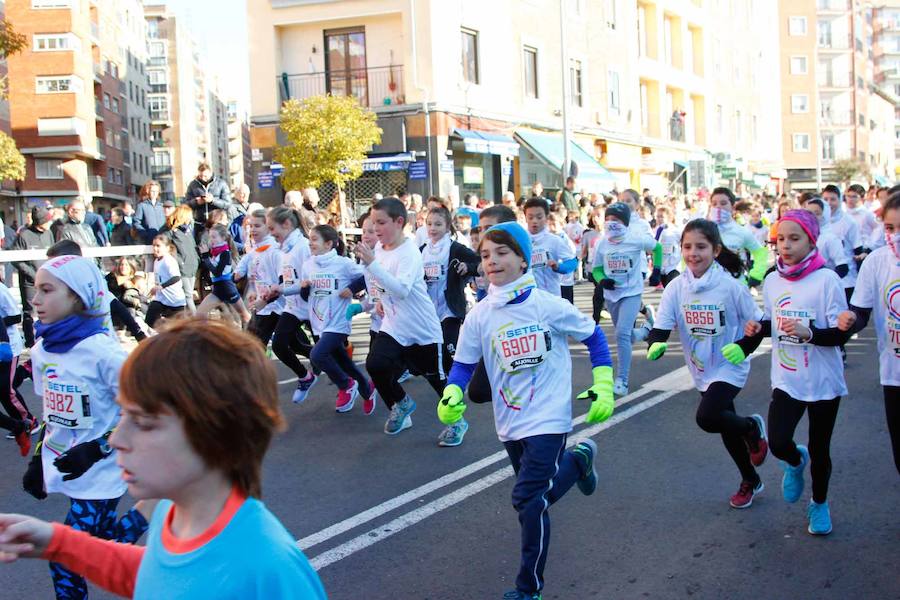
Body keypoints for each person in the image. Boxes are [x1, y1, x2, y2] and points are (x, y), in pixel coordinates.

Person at [0, 319, 327, 599]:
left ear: (214, 435)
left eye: (142, 422)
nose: (117, 439)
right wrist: (56, 542)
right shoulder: (174, 510)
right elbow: (159, 576)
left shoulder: (265, 569)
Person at [436, 221, 614, 600]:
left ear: (522, 259)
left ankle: (528, 588)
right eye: (485, 255)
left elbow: (594, 336)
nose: (492, 261)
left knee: (527, 500)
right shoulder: (480, 315)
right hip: (510, 419)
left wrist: (603, 383)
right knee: (535, 499)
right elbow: (465, 363)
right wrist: (452, 391)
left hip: (549, 416)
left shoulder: (547, 306)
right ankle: (579, 462)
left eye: (502, 253)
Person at [729, 209, 848, 536]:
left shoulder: (827, 280)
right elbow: (774, 324)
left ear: (811, 241)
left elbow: (839, 335)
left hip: (823, 380)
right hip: (788, 377)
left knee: (821, 449)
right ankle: (795, 462)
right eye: (780, 238)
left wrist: (809, 333)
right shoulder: (772, 279)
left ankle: (820, 504)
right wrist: (757, 328)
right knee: (780, 442)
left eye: (794, 239)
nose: (785, 245)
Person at [22, 255, 134, 598]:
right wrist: (37, 461)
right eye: (35, 291)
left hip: (104, 469)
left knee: (65, 557)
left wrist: (97, 448)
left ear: (77, 297)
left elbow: (143, 413)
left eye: (46, 290)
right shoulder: (42, 350)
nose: (35, 300)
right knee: (101, 545)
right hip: (70, 469)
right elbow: (52, 414)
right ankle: (153, 514)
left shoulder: (106, 355)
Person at [644, 219, 769, 508]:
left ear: (716, 250)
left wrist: (743, 346)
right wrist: (656, 343)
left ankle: (751, 428)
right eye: (687, 247)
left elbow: (760, 323)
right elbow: (661, 325)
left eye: (701, 247)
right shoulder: (676, 287)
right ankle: (751, 479)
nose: (693, 253)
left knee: (708, 417)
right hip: (701, 366)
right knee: (725, 426)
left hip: (729, 363)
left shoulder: (730, 287)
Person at [356, 198, 448, 440]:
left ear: (400, 222)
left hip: (422, 329)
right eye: (373, 223)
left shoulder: (409, 252)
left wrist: (372, 265)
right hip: (394, 327)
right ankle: (401, 403)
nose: (376, 228)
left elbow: (402, 290)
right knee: (375, 364)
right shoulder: (378, 250)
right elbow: (383, 285)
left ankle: (457, 422)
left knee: (438, 384)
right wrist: (377, 301)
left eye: (381, 223)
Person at [837, 192, 900, 475]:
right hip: (894, 372)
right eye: (890, 228)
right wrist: (850, 320)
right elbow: (861, 312)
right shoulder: (877, 262)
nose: (895, 236)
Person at [419, 206, 479, 443]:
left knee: (448, 351)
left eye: (438, 225)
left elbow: (477, 261)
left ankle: (459, 380)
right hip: (427, 313)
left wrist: (467, 268)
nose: (433, 229)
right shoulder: (421, 251)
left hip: (450, 309)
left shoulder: (455, 248)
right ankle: (454, 378)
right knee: (434, 357)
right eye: (429, 224)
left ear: (447, 227)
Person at [300, 225, 373, 414]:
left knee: (317, 355)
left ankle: (346, 385)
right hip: (319, 321)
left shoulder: (343, 264)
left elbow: (368, 276)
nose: (310, 243)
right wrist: (305, 288)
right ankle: (366, 389)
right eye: (310, 238)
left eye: (315, 239)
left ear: (329, 243)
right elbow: (305, 296)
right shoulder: (308, 265)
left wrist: (351, 289)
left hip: (339, 320)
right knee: (343, 361)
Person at [591, 202, 661, 396]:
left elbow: (658, 248)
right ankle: (646, 331)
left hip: (632, 292)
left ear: (626, 223)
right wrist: (602, 280)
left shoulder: (636, 239)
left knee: (621, 334)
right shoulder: (602, 243)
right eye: (608, 220)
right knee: (626, 335)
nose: (612, 224)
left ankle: (622, 380)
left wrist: (656, 271)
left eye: (616, 220)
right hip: (612, 295)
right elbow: (596, 269)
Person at [261, 206, 316, 404]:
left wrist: (282, 288)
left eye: (272, 228)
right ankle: (305, 376)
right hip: (292, 306)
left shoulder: (303, 246)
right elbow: (285, 279)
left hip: (311, 306)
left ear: (286, 224)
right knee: (279, 345)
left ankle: (352, 382)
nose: (270, 233)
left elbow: (307, 280)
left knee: (326, 354)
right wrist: (273, 290)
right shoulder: (282, 250)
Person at [238, 209, 283, 348]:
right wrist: (253, 292)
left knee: (252, 347)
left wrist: (265, 299)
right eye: (250, 226)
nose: (252, 230)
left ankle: (328, 360)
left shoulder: (275, 250)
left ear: (269, 228)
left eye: (257, 226)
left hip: (278, 306)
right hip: (264, 307)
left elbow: (282, 281)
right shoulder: (256, 251)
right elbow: (255, 278)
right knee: (292, 346)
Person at [12, 206, 56, 347]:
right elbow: (16, 259)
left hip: (47, 280)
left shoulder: (49, 233)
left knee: (49, 308)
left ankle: (47, 337)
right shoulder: (24, 235)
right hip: (30, 282)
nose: (50, 223)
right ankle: (31, 342)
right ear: (40, 222)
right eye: (47, 221)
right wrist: (33, 274)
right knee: (30, 313)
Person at [707, 188, 769, 287]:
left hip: (736, 288)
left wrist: (756, 275)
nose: (718, 207)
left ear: (732, 207)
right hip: (709, 289)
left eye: (723, 203)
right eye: (714, 204)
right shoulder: (703, 231)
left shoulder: (741, 231)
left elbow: (760, 252)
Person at [523, 198, 578, 297]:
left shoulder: (554, 241)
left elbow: (572, 262)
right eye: (530, 217)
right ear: (525, 217)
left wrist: (558, 267)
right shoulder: (520, 241)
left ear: (546, 218)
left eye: (539, 217)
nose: (534, 221)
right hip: (528, 298)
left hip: (551, 295)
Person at [822, 184, 865, 303]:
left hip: (847, 281)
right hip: (824, 281)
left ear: (840, 200)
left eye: (833, 199)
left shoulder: (849, 222)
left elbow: (858, 251)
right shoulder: (818, 223)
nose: (829, 203)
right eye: (825, 199)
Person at [160, 204, 200, 314]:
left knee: (189, 294)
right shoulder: (170, 231)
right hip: (182, 267)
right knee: (188, 296)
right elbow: (168, 247)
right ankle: (198, 321)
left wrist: (197, 260)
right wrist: (179, 262)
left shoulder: (186, 231)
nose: (190, 219)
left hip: (191, 267)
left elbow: (192, 247)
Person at [146, 235, 187, 328]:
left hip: (175, 301)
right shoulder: (157, 260)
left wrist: (161, 286)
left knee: (178, 330)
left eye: (158, 246)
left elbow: (176, 277)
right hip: (162, 300)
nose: (155, 248)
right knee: (149, 321)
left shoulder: (168, 260)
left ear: (167, 248)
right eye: (154, 246)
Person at [184, 163, 232, 236]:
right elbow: (186, 204)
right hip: (200, 223)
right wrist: (196, 202)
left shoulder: (221, 184)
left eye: (205, 176)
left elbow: (228, 204)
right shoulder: (193, 185)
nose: (203, 178)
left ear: (210, 173)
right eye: (201, 176)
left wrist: (213, 201)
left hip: (217, 223)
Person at [654, 205, 682, 287]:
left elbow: (684, 242)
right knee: (667, 290)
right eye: (657, 216)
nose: (659, 219)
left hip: (673, 266)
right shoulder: (657, 230)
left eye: (661, 217)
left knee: (672, 288)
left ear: (669, 217)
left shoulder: (676, 230)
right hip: (662, 267)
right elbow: (654, 246)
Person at [134, 180, 167, 246]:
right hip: (148, 240)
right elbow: (136, 222)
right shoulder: (142, 206)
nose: (155, 193)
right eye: (152, 191)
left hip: (162, 239)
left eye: (156, 191)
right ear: (148, 191)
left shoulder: (161, 206)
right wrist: (145, 234)